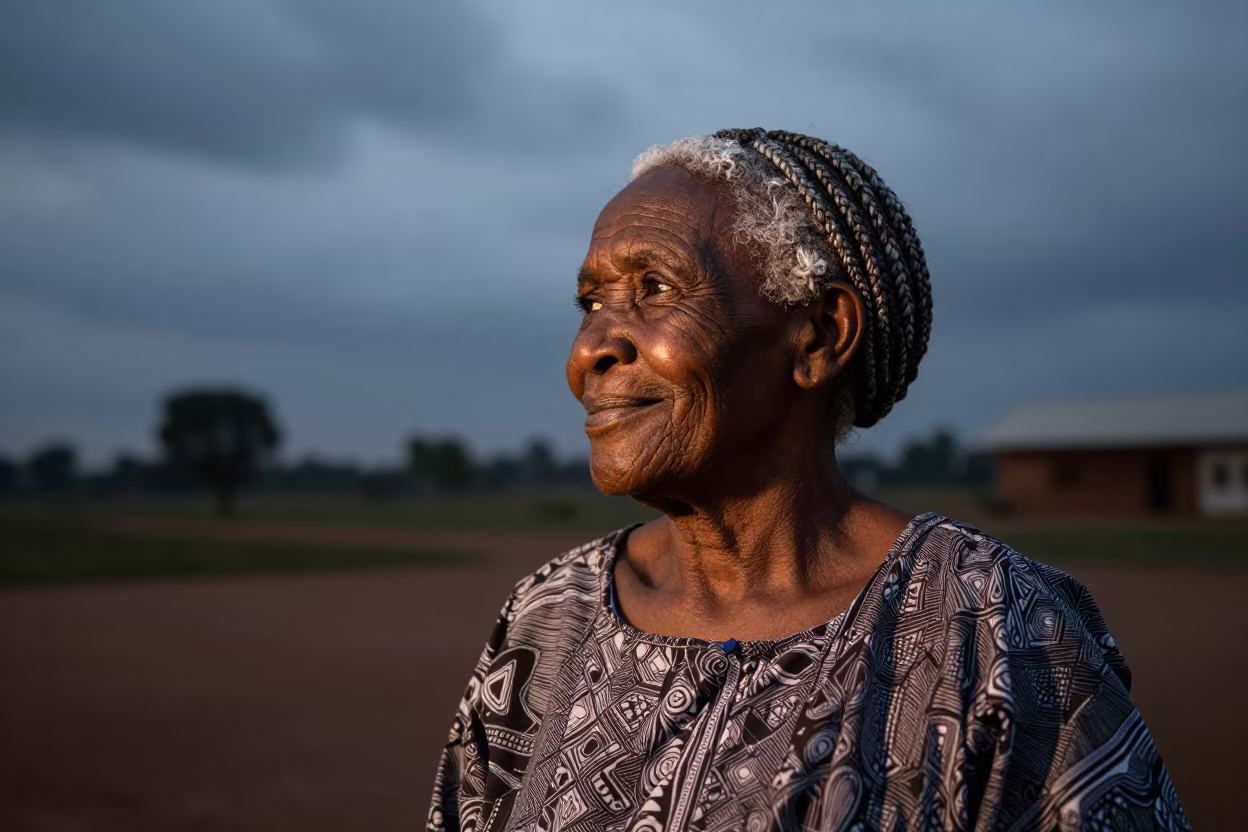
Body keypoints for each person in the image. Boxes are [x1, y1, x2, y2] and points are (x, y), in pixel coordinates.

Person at [427, 129, 1188, 831]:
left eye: (655, 288)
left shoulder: (996, 631)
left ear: (819, 336)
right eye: (591, 302)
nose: (590, 348)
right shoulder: (545, 619)